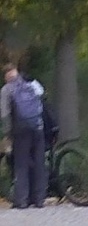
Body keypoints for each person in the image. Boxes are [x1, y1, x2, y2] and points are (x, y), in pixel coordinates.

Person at [1, 63, 48, 209]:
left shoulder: (6, 89)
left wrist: (7, 134)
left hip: (21, 131)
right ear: (16, 72)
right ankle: (39, 199)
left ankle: (21, 200)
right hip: (38, 128)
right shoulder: (32, 84)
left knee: (21, 164)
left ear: (6, 76)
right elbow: (43, 100)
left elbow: (5, 114)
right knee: (39, 163)